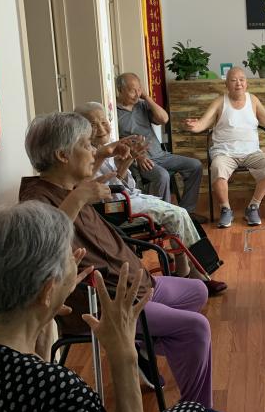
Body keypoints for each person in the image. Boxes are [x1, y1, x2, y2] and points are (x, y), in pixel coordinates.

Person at [0, 201, 259, 412]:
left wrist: (42, 322)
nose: (77, 264)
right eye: (69, 260)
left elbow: (27, 404)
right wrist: (124, 355)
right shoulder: (62, 390)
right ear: (47, 291)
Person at [20, 112, 214, 407]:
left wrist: (105, 168)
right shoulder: (36, 200)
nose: (93, 151)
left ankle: (141, 344)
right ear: (62, 155)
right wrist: (79, 198)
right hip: (107, 303)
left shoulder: (67, 187)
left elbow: (87, 182)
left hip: (133, 284)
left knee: (197, 290)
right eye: (86, 145)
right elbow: (44, 249)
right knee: (195, 329)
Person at [75, 102, 227, 295]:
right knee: (177, 215)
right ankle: (198, 276)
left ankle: (188, 272)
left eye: (104, 122)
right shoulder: (83, 152)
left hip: (128, 199)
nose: (101, 128)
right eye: (93, 124)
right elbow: (85, 186)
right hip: (115, 209)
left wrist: (129, 159)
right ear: (81, 127)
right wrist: (102, 156)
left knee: (181, 216)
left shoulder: (106, 147)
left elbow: (120, 179)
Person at [183, 67, 265, 228]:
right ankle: (225, 209)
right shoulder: (220, 102)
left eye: (242, 80)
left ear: (246, 83)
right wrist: (193, 126)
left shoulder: (253, 100)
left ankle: (253, 206)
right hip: (225, 153)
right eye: (233, 80)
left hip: (251, 152)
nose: (238, 83)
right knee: (217, 167)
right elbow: (203, 123)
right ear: (226, 84)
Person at [116, 72, 205, 220]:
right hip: (139, 160)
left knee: (195, 165)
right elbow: (117, 143)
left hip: (160, 155)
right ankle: (164, 218)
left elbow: (164, 119)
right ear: (120, 90)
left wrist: (147, 97)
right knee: (162, 176)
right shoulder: (115, 113)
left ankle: (187, 212)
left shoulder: (142, 105)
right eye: (132, 90)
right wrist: (137, 157)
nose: (137, 94)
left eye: (139, 89)